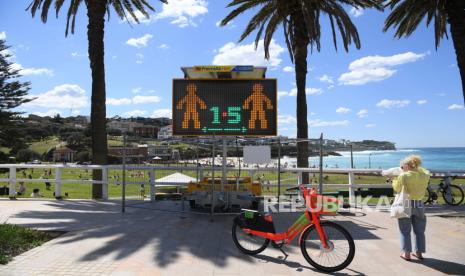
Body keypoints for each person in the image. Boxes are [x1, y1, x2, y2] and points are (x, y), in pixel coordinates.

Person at [392, 155, 430, 261]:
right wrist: (415, 167)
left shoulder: (404, 176)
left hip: (406, 204)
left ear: (407, 166)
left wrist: (394, 179)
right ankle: (419, 253)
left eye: (403, 165)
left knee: (405, 230)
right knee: (420, 230)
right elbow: (423, 170)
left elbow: (397, 188)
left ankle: (407, 254)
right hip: (419, 204)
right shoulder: (425, 174)